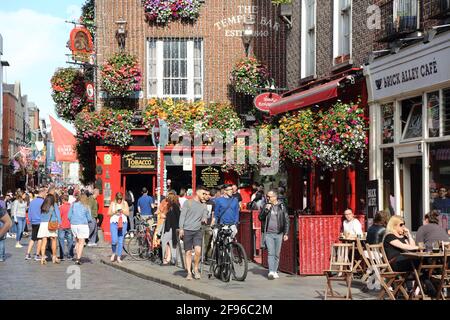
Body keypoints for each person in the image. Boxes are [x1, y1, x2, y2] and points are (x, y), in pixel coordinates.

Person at [258, 189, 289, 280]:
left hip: (279, 233)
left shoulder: (282, 206)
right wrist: (266, 210)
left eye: (269, 196)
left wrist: (286, 233)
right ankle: (271, 271)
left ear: (275, 197)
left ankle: (275, 270)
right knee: (271, 252)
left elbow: (286, 220)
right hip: (268, 233)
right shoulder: (266, 206)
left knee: (277, 254)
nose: (267, 198)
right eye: (267, 196)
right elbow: (260, 218)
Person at [179, 185, 208, 280]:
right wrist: (181, 228)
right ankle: (189, 273)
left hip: (197, 231)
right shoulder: (188, 202)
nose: (205, 196)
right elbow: (182, 216)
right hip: (187, 230)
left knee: (198, 251)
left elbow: (205, 214)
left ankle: (195, 268)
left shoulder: (204, 204)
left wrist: (204, 218)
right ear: (198, 193)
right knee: (187, 252)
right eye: (203, 194)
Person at [37, 194, 62, 265]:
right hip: (51, 224)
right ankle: (54, 257)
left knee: (44, 241)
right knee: (53, 240)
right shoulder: (54, 205)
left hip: (43, 224)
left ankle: (42, 258)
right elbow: (58, 215)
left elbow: (41, 215)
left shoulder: (43, 205)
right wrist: (60, 223)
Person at [69, 192, 92, 265]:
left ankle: (76, 255)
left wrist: (73, 220)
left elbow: (69, 216)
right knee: (81, 242)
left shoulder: (73, 205)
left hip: (74, 225)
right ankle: (78, 259)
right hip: (82, 225)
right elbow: (89, 218)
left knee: (77, 241)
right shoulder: (86, 206)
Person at [108, 192, 129, 263]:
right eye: (118, 199)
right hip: (114, 223)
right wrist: (115, 212)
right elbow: (108, 214)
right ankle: (114, 253)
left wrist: (122, 211)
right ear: (116, 198)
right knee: (114, 240)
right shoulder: (112, 203)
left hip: (123, 223)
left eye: (120, 199)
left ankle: (119, 257)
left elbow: (128, 213)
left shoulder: (125, 203)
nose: (119, 200)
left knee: (120, 240)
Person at [25, 187, 46, 261]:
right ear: (42, 193)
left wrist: (30, 220)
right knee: (40, 238)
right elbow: (44, 213)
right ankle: (37, 255)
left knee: (33, 238)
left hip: (33, 222)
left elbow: (29, 212)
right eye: (45, 193)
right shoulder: (43, 202)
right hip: (40, 221)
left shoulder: (33, 201)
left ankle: (27, 254)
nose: (45, 195)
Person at [161, 191, 180, 265]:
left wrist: (165, 216)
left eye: (168, 197)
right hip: (173, 228)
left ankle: (165, 259)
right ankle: (173, 259)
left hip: (171, 228)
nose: (167, 198)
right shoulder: (175, 205)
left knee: (164, 241)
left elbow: (174, 217)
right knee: (172, 243)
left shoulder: (173, 206)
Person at [58, 194, 74, 260]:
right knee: (70, 240)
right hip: (69, 225)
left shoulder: (61, 207)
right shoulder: (71, 207)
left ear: (63, 200)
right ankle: (70, 255)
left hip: (62, 226)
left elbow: (59, 217)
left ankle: (62, 256)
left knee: (61, 240)